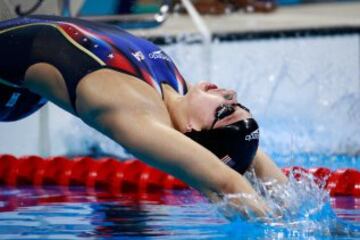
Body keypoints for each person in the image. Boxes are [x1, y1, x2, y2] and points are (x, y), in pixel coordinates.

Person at [0, 15, 287, 218]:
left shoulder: (134, 110)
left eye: (224, 110)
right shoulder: (176, 91)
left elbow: (226, 184)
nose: (230, 94)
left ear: (190, 132)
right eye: (238, 103)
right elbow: (247, 154)